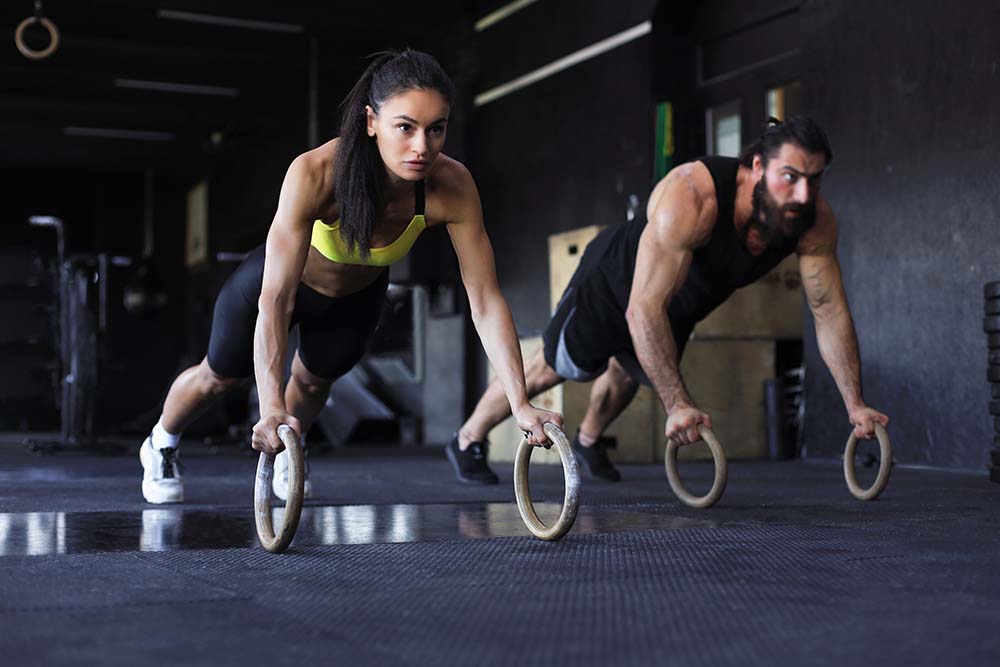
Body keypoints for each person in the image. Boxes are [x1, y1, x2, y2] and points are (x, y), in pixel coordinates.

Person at [140, 49, 561, 503]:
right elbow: (275, 301)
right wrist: (271, 407)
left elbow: (485, 300)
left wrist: (519, 403)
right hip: (281, 284)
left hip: (356, 298)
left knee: (315, 381)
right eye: (406, 127)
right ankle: (161, 442)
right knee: (218, 376)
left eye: (435, 128)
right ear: (370, 121)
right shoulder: (316, 174)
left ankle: (288, 450)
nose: (422, 146)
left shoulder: (452, 187)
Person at [451, 116, 889, 482]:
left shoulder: (812, 221)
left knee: (631, 373)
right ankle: (468, 439)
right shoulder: (694, 195)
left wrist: (855, 403)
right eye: (789, 178)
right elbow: (641, 309)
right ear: (757, 166)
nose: (803, 195)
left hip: (677, 301)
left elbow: (827, 309)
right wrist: (677, 404)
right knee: (557, 366)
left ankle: (588, 441)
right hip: (614, 281)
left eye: (814, 181)